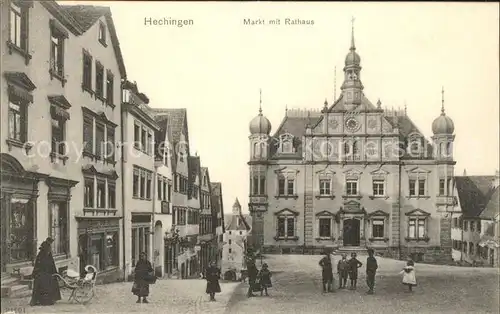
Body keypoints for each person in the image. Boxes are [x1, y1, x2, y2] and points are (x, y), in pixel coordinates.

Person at [30, 238, 62, 306]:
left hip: (46, 273)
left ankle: (50, 300)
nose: (49, 250)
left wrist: (55, 272)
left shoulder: (47, 253)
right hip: (42, 273)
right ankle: (43, 301)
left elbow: (51, 263)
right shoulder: (42, 254)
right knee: (43, 286)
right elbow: (39, 265)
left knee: (50, 284)